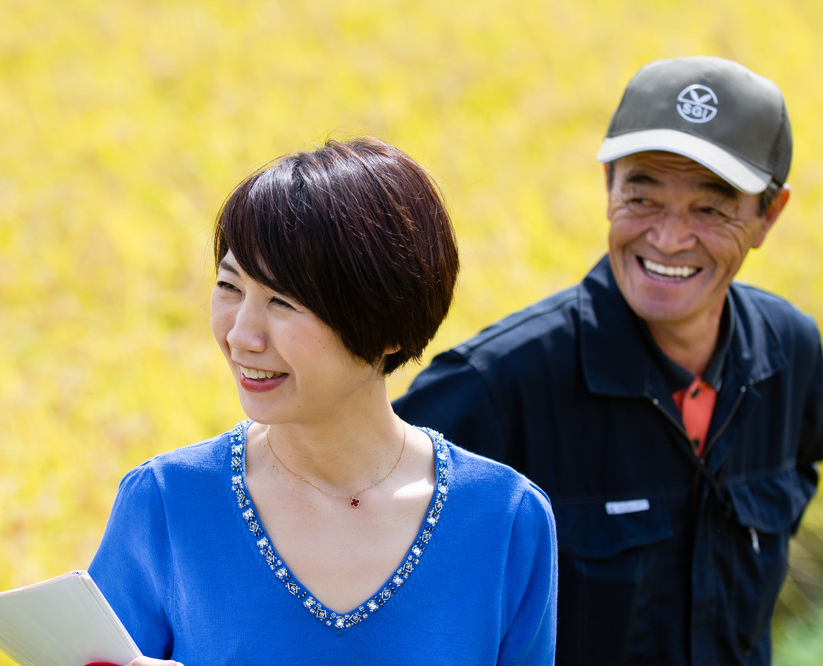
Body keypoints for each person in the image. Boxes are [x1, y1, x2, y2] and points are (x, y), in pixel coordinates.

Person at [394, 56, 823, 665]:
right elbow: (358, 548)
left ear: (768, 216)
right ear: (609, 187)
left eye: (709, 208)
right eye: (643, 196)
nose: (669, 238)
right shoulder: (494, 386)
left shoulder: (791, 354)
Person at [87, 137, 558, 665]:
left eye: (283, 302)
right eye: (229, 286)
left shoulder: (504, 519)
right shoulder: (167, 502)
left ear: (388, 328)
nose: (242, 334)